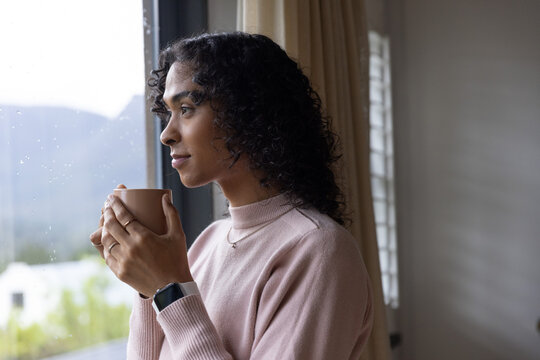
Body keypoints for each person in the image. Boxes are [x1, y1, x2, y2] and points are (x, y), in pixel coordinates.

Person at [90, 32, 373, 359]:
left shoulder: (320, 250)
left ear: (248, 111)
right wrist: (147, 286)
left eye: (186, 108)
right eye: (167, 113)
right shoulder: (209, 241)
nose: (167, 134)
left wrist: (168, 289)